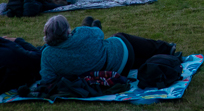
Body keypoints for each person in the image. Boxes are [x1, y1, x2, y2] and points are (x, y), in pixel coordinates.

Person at [39, 15, 175, 83]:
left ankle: (161, 60)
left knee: (128, 55)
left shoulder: (47, 55)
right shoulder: (81, 33)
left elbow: (47, 78)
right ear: (67, 30)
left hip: (115, 72)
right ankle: (165, 49)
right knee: (119, 36)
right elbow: (100, 34)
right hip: (121, 55)